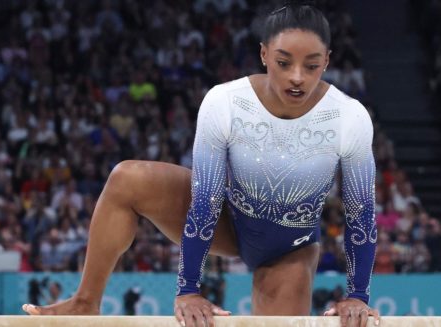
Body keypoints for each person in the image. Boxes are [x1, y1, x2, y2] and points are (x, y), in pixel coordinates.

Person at [22, 1, 381, 327]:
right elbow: (205, 198)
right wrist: (188, 288)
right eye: (284, 62)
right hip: (228, 219)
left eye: (312, 65)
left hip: (291, 247)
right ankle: (86, 301)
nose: (297, 77)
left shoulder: (348, 117)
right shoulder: (225, 102)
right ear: (264, 54)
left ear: (328, 61)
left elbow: (360, 214)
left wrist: (358, 297)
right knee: (127, 178)